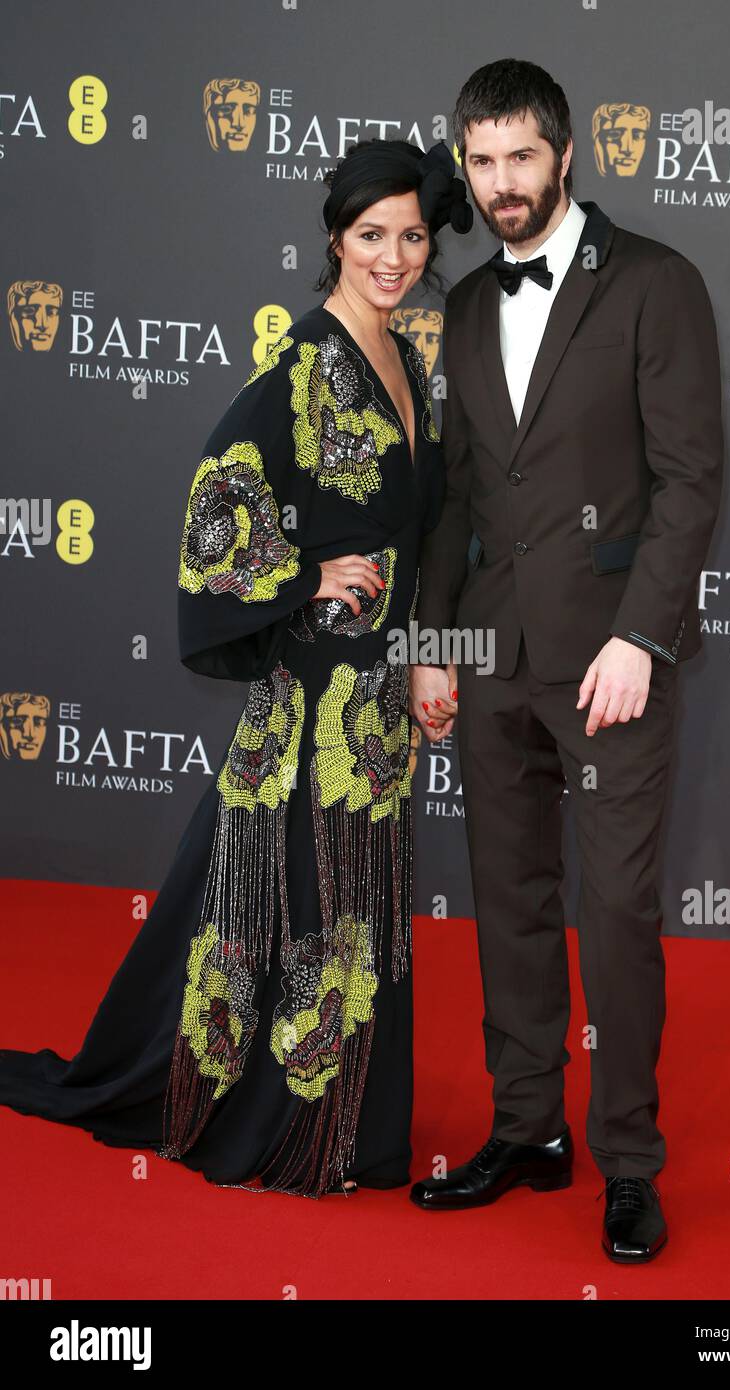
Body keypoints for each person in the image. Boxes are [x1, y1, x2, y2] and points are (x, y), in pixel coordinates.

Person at [0, 138, 472, 1200]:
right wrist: (303, 572)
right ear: (334, 242)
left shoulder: (407, 365)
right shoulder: (306, 365)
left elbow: (433, 528)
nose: (392, 258)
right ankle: (284, 1122)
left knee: (356, 904)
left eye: (409, 237)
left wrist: (432, 658)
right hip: (313, 700)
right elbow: (222, 502)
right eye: (369, 238)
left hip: (382, 696)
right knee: (298, 900)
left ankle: (352, 1125)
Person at [408, 60, 724, 1262]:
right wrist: (437, 647)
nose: (499, 187)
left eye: (518, 160)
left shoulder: (653, 284)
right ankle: (528, 1125)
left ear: (565, 153)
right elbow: (454, 499)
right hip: (490, 655)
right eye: (479, 164)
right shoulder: (472, 304)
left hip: (610, 664)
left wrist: (641, 635)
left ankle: (628, 1160)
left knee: (616, 909)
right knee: (509, 901)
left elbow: (692, 480)